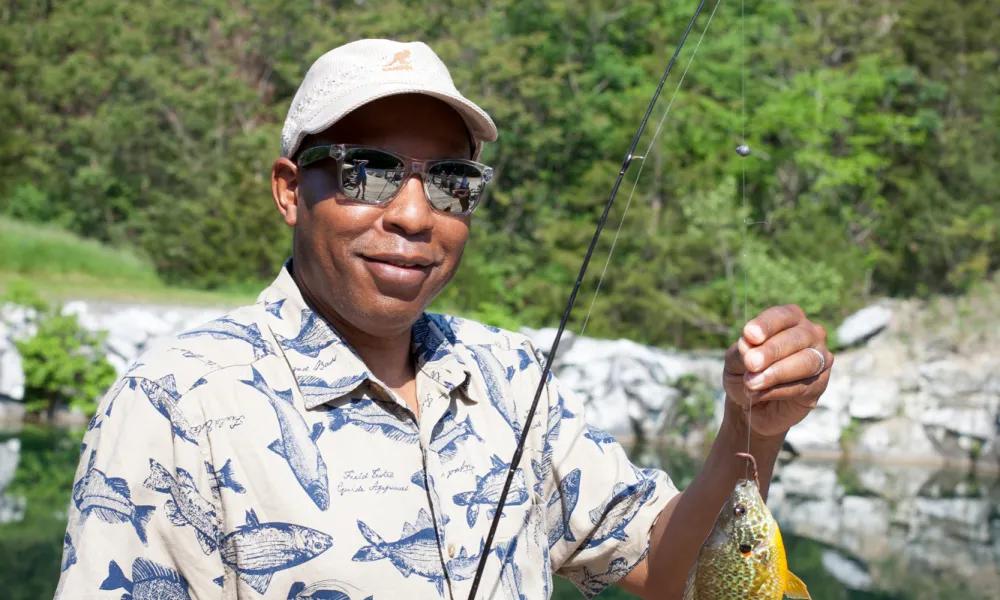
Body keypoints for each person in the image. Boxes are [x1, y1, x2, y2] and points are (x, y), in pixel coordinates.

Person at [53, 39, 833, 600]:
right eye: (369, 171)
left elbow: (668, 571)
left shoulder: (508, 375)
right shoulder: (175, 402)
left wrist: (753, 426)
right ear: (292, 190)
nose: (416, 215)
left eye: (452, 182)